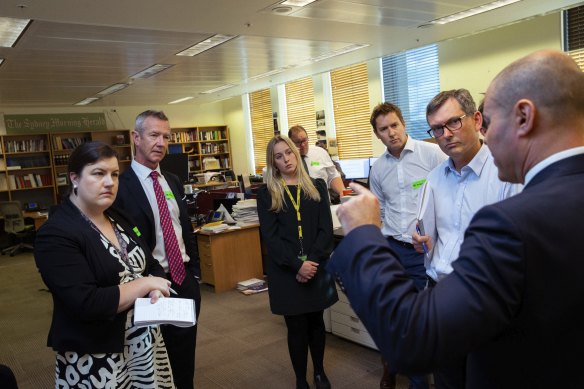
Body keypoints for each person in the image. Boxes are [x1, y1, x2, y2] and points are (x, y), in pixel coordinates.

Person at [326, 49, 584, 388]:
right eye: (437, 129)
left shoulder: (512, 220)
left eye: (488, 122)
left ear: (523, 117)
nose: (486, 135)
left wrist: (361, 233)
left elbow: (412, 341)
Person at [34, 141, 175, 388]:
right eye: (98, 173)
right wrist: (146, 283)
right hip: (97, 357)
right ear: (75, 178)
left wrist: (154, 287)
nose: (110, 182)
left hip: (144, 346)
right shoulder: (56, 234)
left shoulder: (117, 216)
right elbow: (87, 302)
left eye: (114, 174)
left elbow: (150, 263)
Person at [410, 89, 520, 388]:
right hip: (441, 296)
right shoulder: (433, 179)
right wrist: (420, 238)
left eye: (453, 123)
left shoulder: (506, 175)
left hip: (485, 301)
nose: (445, 134)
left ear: (476, 119)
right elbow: (428, 230)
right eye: (437, 129)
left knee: (488, 378)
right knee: (448, 379)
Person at [113, 110, 201, 389]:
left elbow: (184, 228)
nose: (161, 142)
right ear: (136, 138)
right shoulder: (120, 187)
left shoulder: (172, 181)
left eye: (166, 136)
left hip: (183, 280)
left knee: (185, 358)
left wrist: (193, 273)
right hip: (149, 287)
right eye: (154, 135)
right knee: (154, 362)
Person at [368, 102, 447, 389]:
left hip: (421, 252)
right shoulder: (377, 169)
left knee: (418, 322)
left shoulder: (432, 154)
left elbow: (446, 195)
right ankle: (392, 366)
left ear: (403, 124)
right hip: (392, 250)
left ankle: (418, 383)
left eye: (394, 125)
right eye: (383, 129)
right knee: (393, 317)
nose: (391, 133)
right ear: (377, 135)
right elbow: (382, 209)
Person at [257, 135, 339, 389]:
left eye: (288, 153)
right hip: (286, 271)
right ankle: (301, 379)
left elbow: (326, 230)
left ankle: (319, 372)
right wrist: (297, 265)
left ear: (296, 153)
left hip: (316, 267)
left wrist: (311, 262)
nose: (286, 159)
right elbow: (270, 239)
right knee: (296, 327)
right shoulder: (267, 192)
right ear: (274, 163)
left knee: (316, 323)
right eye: (278, 157)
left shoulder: (316, 186)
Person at [288, 125, 345, 198]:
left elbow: (332, 176)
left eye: (305, 140)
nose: (303, 145)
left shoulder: (320, 152)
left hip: (323, 203)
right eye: (298, 142)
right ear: (290, 143)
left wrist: (342, 192)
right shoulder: (287, 160)